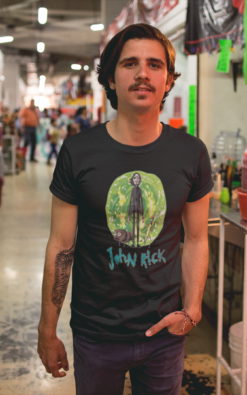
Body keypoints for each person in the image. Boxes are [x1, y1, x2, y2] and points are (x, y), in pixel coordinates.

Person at [38, 23, 213, 395]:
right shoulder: (78, 152)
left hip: (165, 332)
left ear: (168, 80)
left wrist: (193, 309)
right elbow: (61, 246)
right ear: (111, 78)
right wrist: (46, 329)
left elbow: (197, 238)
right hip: (96, 333)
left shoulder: (191, 152)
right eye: (130, 63)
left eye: (154, 64)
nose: (142, 74)